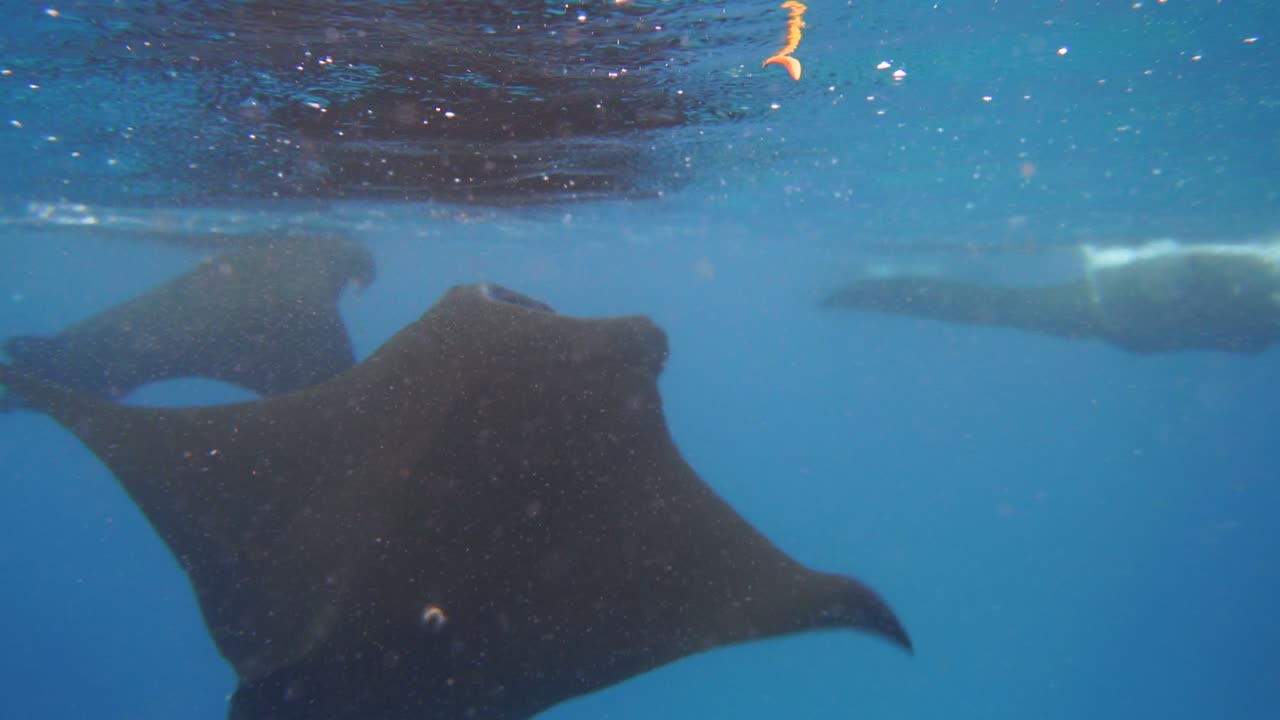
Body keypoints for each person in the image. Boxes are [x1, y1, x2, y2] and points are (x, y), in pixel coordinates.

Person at [822, 240, 1280, 354]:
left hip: (1121, 313)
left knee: (1001, 309)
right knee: (1001, 309)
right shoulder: (1264, 277)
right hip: (1114, 307)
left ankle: (875, 291)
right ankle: (876, 290)